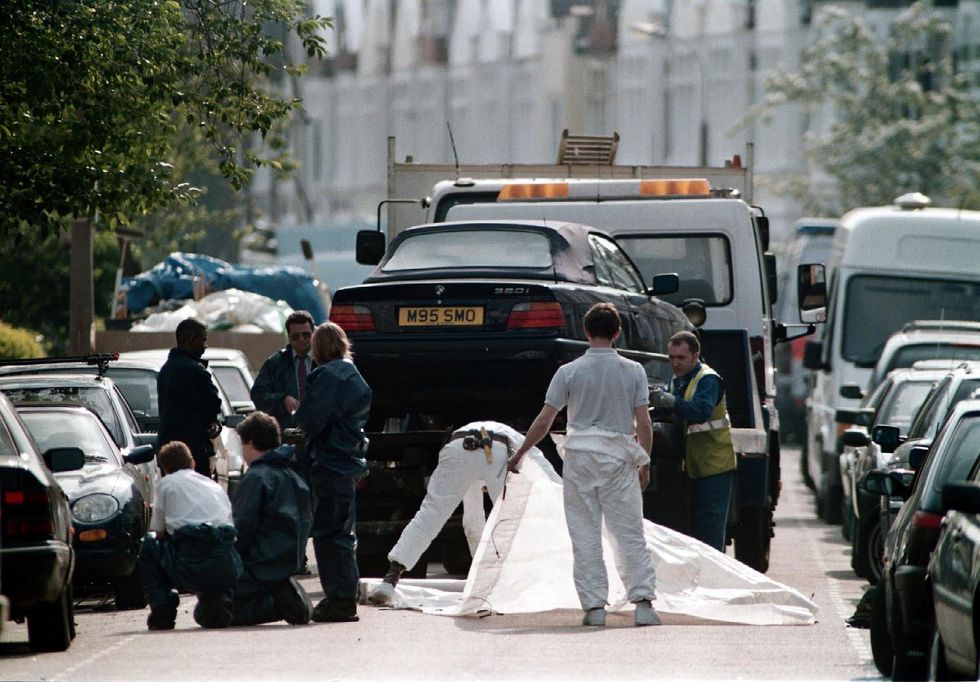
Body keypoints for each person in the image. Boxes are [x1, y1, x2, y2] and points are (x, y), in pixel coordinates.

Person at [507, 302, 660, 627]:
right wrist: (643, 460)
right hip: (619, 456)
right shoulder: (633, 370)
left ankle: (594, 608)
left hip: (579, 457)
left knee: (585, 532)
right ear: (617, 332)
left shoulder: (569, 371)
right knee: (629, 532)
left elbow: (545, 419)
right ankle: (643, 604)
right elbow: (643, 423)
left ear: (586, 332)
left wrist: (520, 453)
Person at [368, 420, 525, 606]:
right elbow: (546, 480)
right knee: (512, 520)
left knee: (429, 515)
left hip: (458, 447)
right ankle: (514, 584)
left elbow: (472, 522)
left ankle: (389, 581)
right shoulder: (525, 445)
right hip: (499, 450)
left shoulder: (479, 432)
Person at [294, 322, 372, 623]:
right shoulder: (354, 374)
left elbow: (311, 420)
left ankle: (339, 600)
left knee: (328, 535)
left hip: (329, 462)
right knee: (343, 533)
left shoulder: (326, 375)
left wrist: (296, 422)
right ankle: (344, 595)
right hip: (348, 461)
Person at [649, 330, 737, 553]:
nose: (675, 363)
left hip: (714, 465)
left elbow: (701, 411)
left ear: (696, 355)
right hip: (694, 465)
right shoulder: (678, 380)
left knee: (710, 530)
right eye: (671, 358)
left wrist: (672, 402)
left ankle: (716, 581)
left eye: (681, 358)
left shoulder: (707, 379)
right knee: (694, 528)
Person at [140, 441, 242, 630]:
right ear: (193, 462)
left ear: (164, 469)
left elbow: (159, 531)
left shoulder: (166, 484)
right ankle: (220, 600)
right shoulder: (213, 485)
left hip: (189, 564)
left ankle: (163, 609)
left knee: (149, 544)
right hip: (226, 565)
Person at [230, 411, 315, 626]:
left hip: (260, 565)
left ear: (249, 442)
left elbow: (242, 527)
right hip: (288, 561)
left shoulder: (256, 477)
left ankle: (277, 604)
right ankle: (281, 594)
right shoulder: (294, 477)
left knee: (211, 609)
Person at [157, 318, 222, 477]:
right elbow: (214, 403)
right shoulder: (195, 371)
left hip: (169, 453)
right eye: (203, 340)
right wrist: (212, 421)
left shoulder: (166, 369)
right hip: (193, 452)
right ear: (191, 340)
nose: (205, 346)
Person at [251, 311, 317, 430]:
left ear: (313, 333)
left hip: (319, 433)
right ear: (289, 337)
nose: (301, 339)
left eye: (306, 335)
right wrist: (282, 399)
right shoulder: (276, 363)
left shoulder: (323, 360)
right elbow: (258, 395)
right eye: (296, 336)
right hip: (286, 434)